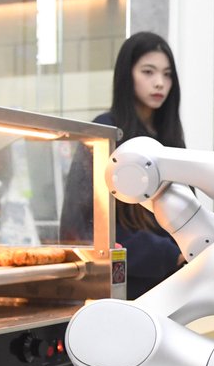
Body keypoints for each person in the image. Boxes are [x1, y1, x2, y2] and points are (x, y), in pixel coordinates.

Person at [61, 32, 186, 298]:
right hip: (123, 288)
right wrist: (169, 253)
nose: (159, 83)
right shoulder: (105, 131)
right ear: (126, 75)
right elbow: (85, 223)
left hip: (172, 284)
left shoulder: (168, 135)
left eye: (167, 75)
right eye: (148, 72)